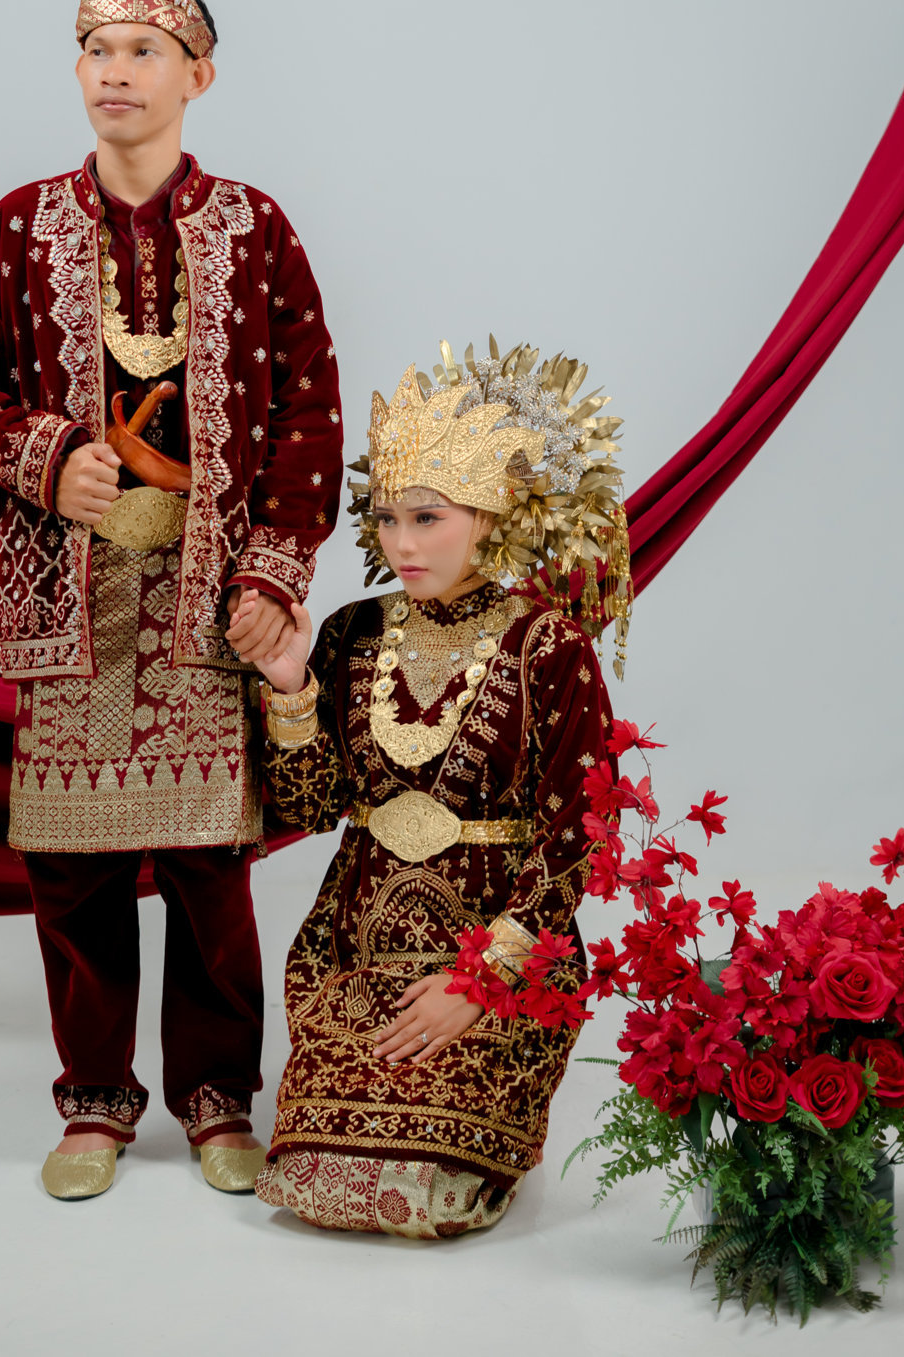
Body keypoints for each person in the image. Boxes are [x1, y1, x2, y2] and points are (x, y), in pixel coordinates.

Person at [0, 0, 343, 1200]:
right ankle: (95, 1103)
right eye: (96, 50)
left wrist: (271, 576)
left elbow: (309, 417)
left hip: (206, 601)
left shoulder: (255, 231)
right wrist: (46, 458)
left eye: (143, 51)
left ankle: (218, 1100)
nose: (114, 72)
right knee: (74, 874)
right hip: (70, 601)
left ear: (196, 76)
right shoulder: (20, 226)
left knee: (212, 872)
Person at [245, 339, 631, 1237]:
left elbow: (580, 833)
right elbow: (308, 808)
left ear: (491, 515)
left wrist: (481, 979)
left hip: (499, 957)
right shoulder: (348, 632)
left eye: (428, 517)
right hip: (354, 948)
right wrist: (292, 685)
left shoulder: (548, 646)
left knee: (428, 1195)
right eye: (386, 518)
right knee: (313, 1183)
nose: (402, 543)